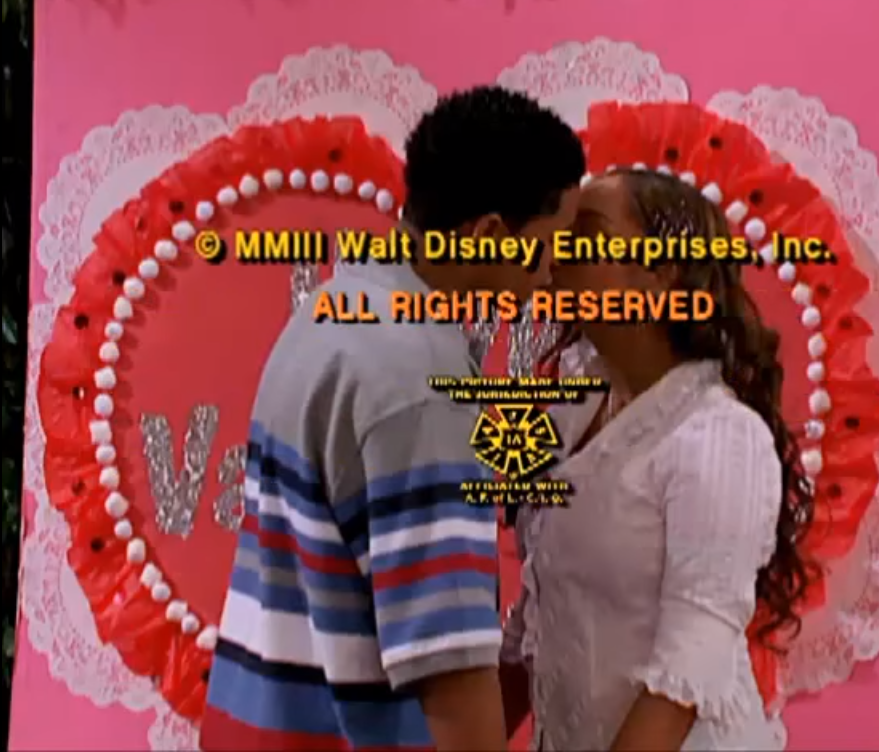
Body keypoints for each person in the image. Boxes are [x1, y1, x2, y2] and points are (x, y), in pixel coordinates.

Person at [203, 85, 585, 751]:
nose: (553, 273)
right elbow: (448, 668)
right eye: (548, 246)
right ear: (490, 236)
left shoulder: (331, 311)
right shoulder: (419, 381)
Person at [498, 169, 808, 749]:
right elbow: (536, 615)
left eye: (585, 234)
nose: (557, 251)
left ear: (663, 273)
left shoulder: (718, 435)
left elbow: (686, 676)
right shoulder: (569, 410)